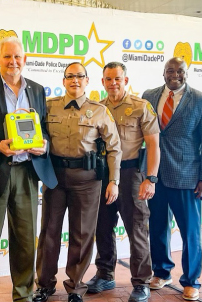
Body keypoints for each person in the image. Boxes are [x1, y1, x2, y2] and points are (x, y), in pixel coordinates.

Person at [0, 36, 57, 302]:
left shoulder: (38, 89)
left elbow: (43, 127)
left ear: (25, 59)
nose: (13, 62)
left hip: (28, 173)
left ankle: (23, 295)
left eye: (17, 56)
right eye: (7, 57)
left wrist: (44, 146)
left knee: (26, 241)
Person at [33, 62, 122, 302]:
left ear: (87, 80)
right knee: (49, 232)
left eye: (79, 76)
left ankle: (75, 287)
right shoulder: (49, 107)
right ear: (63, 81)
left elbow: (114, 148)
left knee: (81, 235)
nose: (75, 80)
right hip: (55, 178)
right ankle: (44, 285)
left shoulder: (100, 111)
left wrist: (114, 180)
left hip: (87, 180)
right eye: (70, 76)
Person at [86, 62, 160, 302]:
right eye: (108, 79)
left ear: (125, 81)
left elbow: (153, 145)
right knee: (102, 226)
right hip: (104, 175)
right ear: (103, 82)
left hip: (131, 175)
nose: (113, 83)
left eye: (117, 79)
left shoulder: (141, 107)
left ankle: (141, 282)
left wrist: (150, 178)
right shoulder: (98, 108)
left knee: (137, 228)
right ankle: (105, 273)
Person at [142, 57, 202, 301]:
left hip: (187, 176)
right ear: (163, 72)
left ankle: (191, 280)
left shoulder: (198, 99)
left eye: (180, 71)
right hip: (155, 175)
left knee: (190, 232)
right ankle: (161, 271)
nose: (175, 74)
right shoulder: (149, 95)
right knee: (157, 227)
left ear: (186, 73)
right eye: (170, 70)